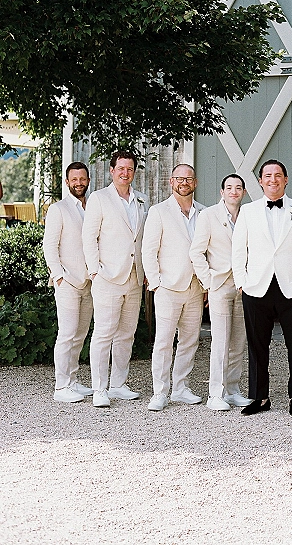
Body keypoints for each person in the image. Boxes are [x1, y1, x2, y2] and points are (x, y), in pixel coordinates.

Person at [231, 159, 292, 416]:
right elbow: (239, 250)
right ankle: (260, 398)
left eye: (278, 175)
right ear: (260, 181)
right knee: (257, 344)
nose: (273, 180)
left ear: (286, 179)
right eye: (267, 176)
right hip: (256, 287)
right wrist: (241, 284)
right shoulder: (248, 212)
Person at [82, 150, 148, 407]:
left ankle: (118, 384)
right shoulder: (99, 198)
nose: (125, 173)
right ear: (112, 170)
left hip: (134, 276)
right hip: (107, 276)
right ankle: (100, 388)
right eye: (120, 168)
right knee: (103, 333)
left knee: (127, 333)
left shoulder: (142, 199)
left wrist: (144, 272)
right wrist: (95, 271)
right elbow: (89, 237)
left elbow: (141, 239)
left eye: (129, 169)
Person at [142, 164, 206, 412]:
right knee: (164, 341)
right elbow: (149, 251)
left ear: (195, 182)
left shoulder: (203, 213)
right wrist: (156, 283)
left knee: (190, 340)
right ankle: (160, 392)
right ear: (171, 181)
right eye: (180, 178)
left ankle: (180, 388)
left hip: (194, 286)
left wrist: (206, 284)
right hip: (167, 286)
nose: (184, 182)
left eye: (189, 178)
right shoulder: (159, 212)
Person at [190, 174, 252, 411]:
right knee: (220, 340)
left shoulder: (249, 215)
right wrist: (208, 283)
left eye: (238, 188)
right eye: (229, 187)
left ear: (244, 192)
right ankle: (215, 393)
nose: (233, 191)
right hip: (219, 284)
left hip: (244, 286)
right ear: (221, 192)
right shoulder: (208, 216)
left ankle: (233, 389)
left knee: (238, 340)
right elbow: (197, 252)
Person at [43, 162, 93, 403]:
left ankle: (72, 380)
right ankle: (61, 386)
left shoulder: (93, 206)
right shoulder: (58, 209)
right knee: (67, 333)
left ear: (88, 180)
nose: (79, 183)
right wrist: (59, 275)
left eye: (82, 179)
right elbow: (49, 246)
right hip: (68, 283)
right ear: (67, 182)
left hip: (89, 283)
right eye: (74, 179)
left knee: (80, 334)